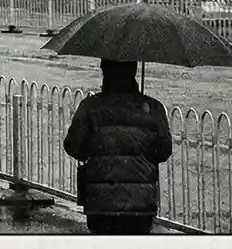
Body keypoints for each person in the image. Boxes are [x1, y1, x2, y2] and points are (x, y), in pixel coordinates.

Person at [63, 60, 173, 234]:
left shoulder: (90, 106)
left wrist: (96, 150)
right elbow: (164, 151)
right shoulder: (153, 108)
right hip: (141, 203)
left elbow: (73, 146)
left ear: (104, 71)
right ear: (134, 71)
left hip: (100, 203)